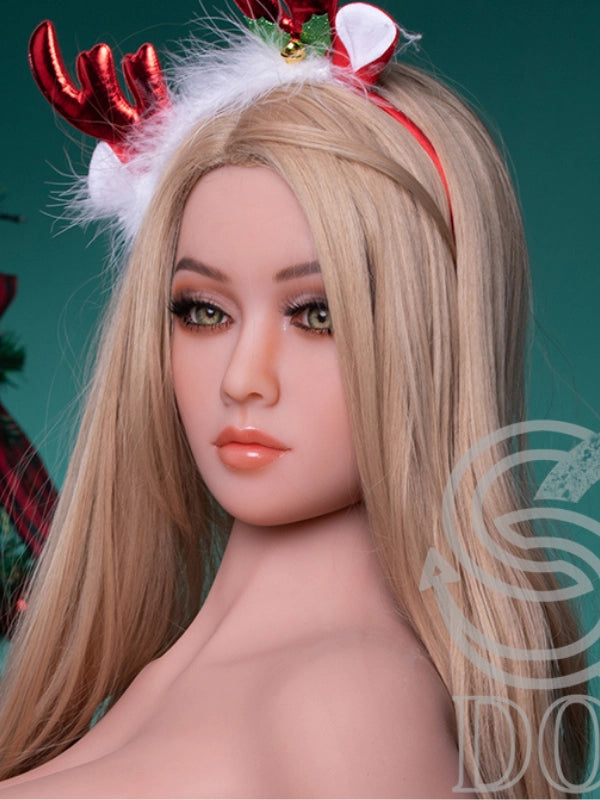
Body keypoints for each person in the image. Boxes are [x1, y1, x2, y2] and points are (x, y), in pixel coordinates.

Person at [0, 2, 589, 796]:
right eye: (202, 311)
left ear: (430, 338)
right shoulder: (169, 680)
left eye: (318, 315)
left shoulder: (350, 707)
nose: (242, 377)